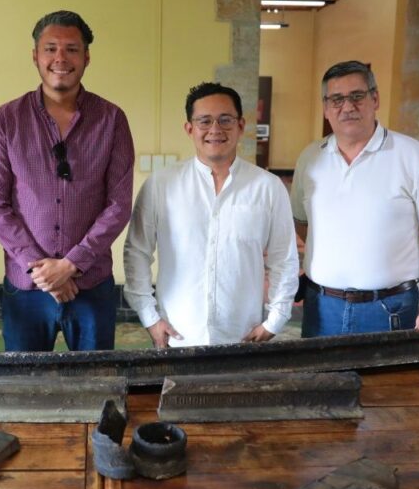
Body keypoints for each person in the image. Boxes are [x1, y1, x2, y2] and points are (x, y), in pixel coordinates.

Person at [0, 10, 135, 351]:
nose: (60, 58)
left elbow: (119, 204)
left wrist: (71, 264)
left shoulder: (111, 119)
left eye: (71, 49)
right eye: (50, 48)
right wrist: (42, 271)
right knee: (26, 390)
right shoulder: (7, 119)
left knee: (97, 387)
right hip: (26, 286)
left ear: (87, 57)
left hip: (91, 284)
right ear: (35, 55)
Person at [290, 60, 419, 337]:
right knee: (321, 381)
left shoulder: (412, 156)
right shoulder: (310, 158)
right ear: (325, 107)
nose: (347, 107)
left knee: (386, 382)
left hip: (389, 309)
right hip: (322, 308)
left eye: (357, 96)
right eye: (337, 99)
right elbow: (302, 224)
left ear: (375, 98)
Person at [124, 82, 299, 348]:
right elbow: (137, 252)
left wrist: (275, 320)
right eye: (204, 121)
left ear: (241, 126)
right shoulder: (161, 185)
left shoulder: (268, 187)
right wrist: (150, 317)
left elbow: (283, 259)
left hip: (244, 337)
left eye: (225, 120)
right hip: (178, 335)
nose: (215, 130)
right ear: (189, 128)